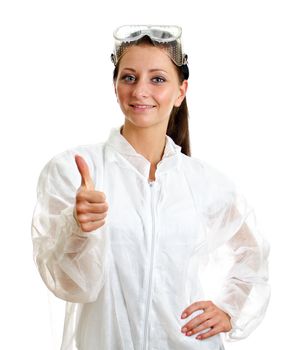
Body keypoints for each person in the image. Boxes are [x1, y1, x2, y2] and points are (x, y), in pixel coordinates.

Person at [31, 25, 270, 350]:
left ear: (181, 91)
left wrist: (229, 309)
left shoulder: (204, 182)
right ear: (115, 87)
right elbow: (74, 287)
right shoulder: (73, 172)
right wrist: (77, 227)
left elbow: (251, 254)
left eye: (157, 79)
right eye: (129, 77)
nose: (140, 90)